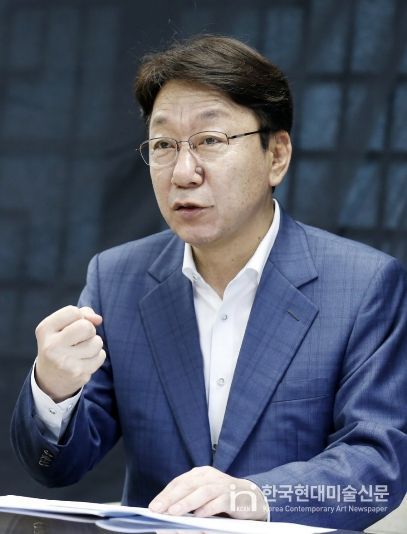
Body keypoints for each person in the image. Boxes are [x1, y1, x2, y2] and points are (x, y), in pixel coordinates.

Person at [11, 35, 407, 530]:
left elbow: (378, 471)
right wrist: (54, 390)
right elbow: (56, 467)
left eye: (210, 141)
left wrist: (253, 496)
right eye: (163, 145)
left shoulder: (363, 285)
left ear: (276, 155)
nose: (183, 172)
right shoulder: (117, 279)